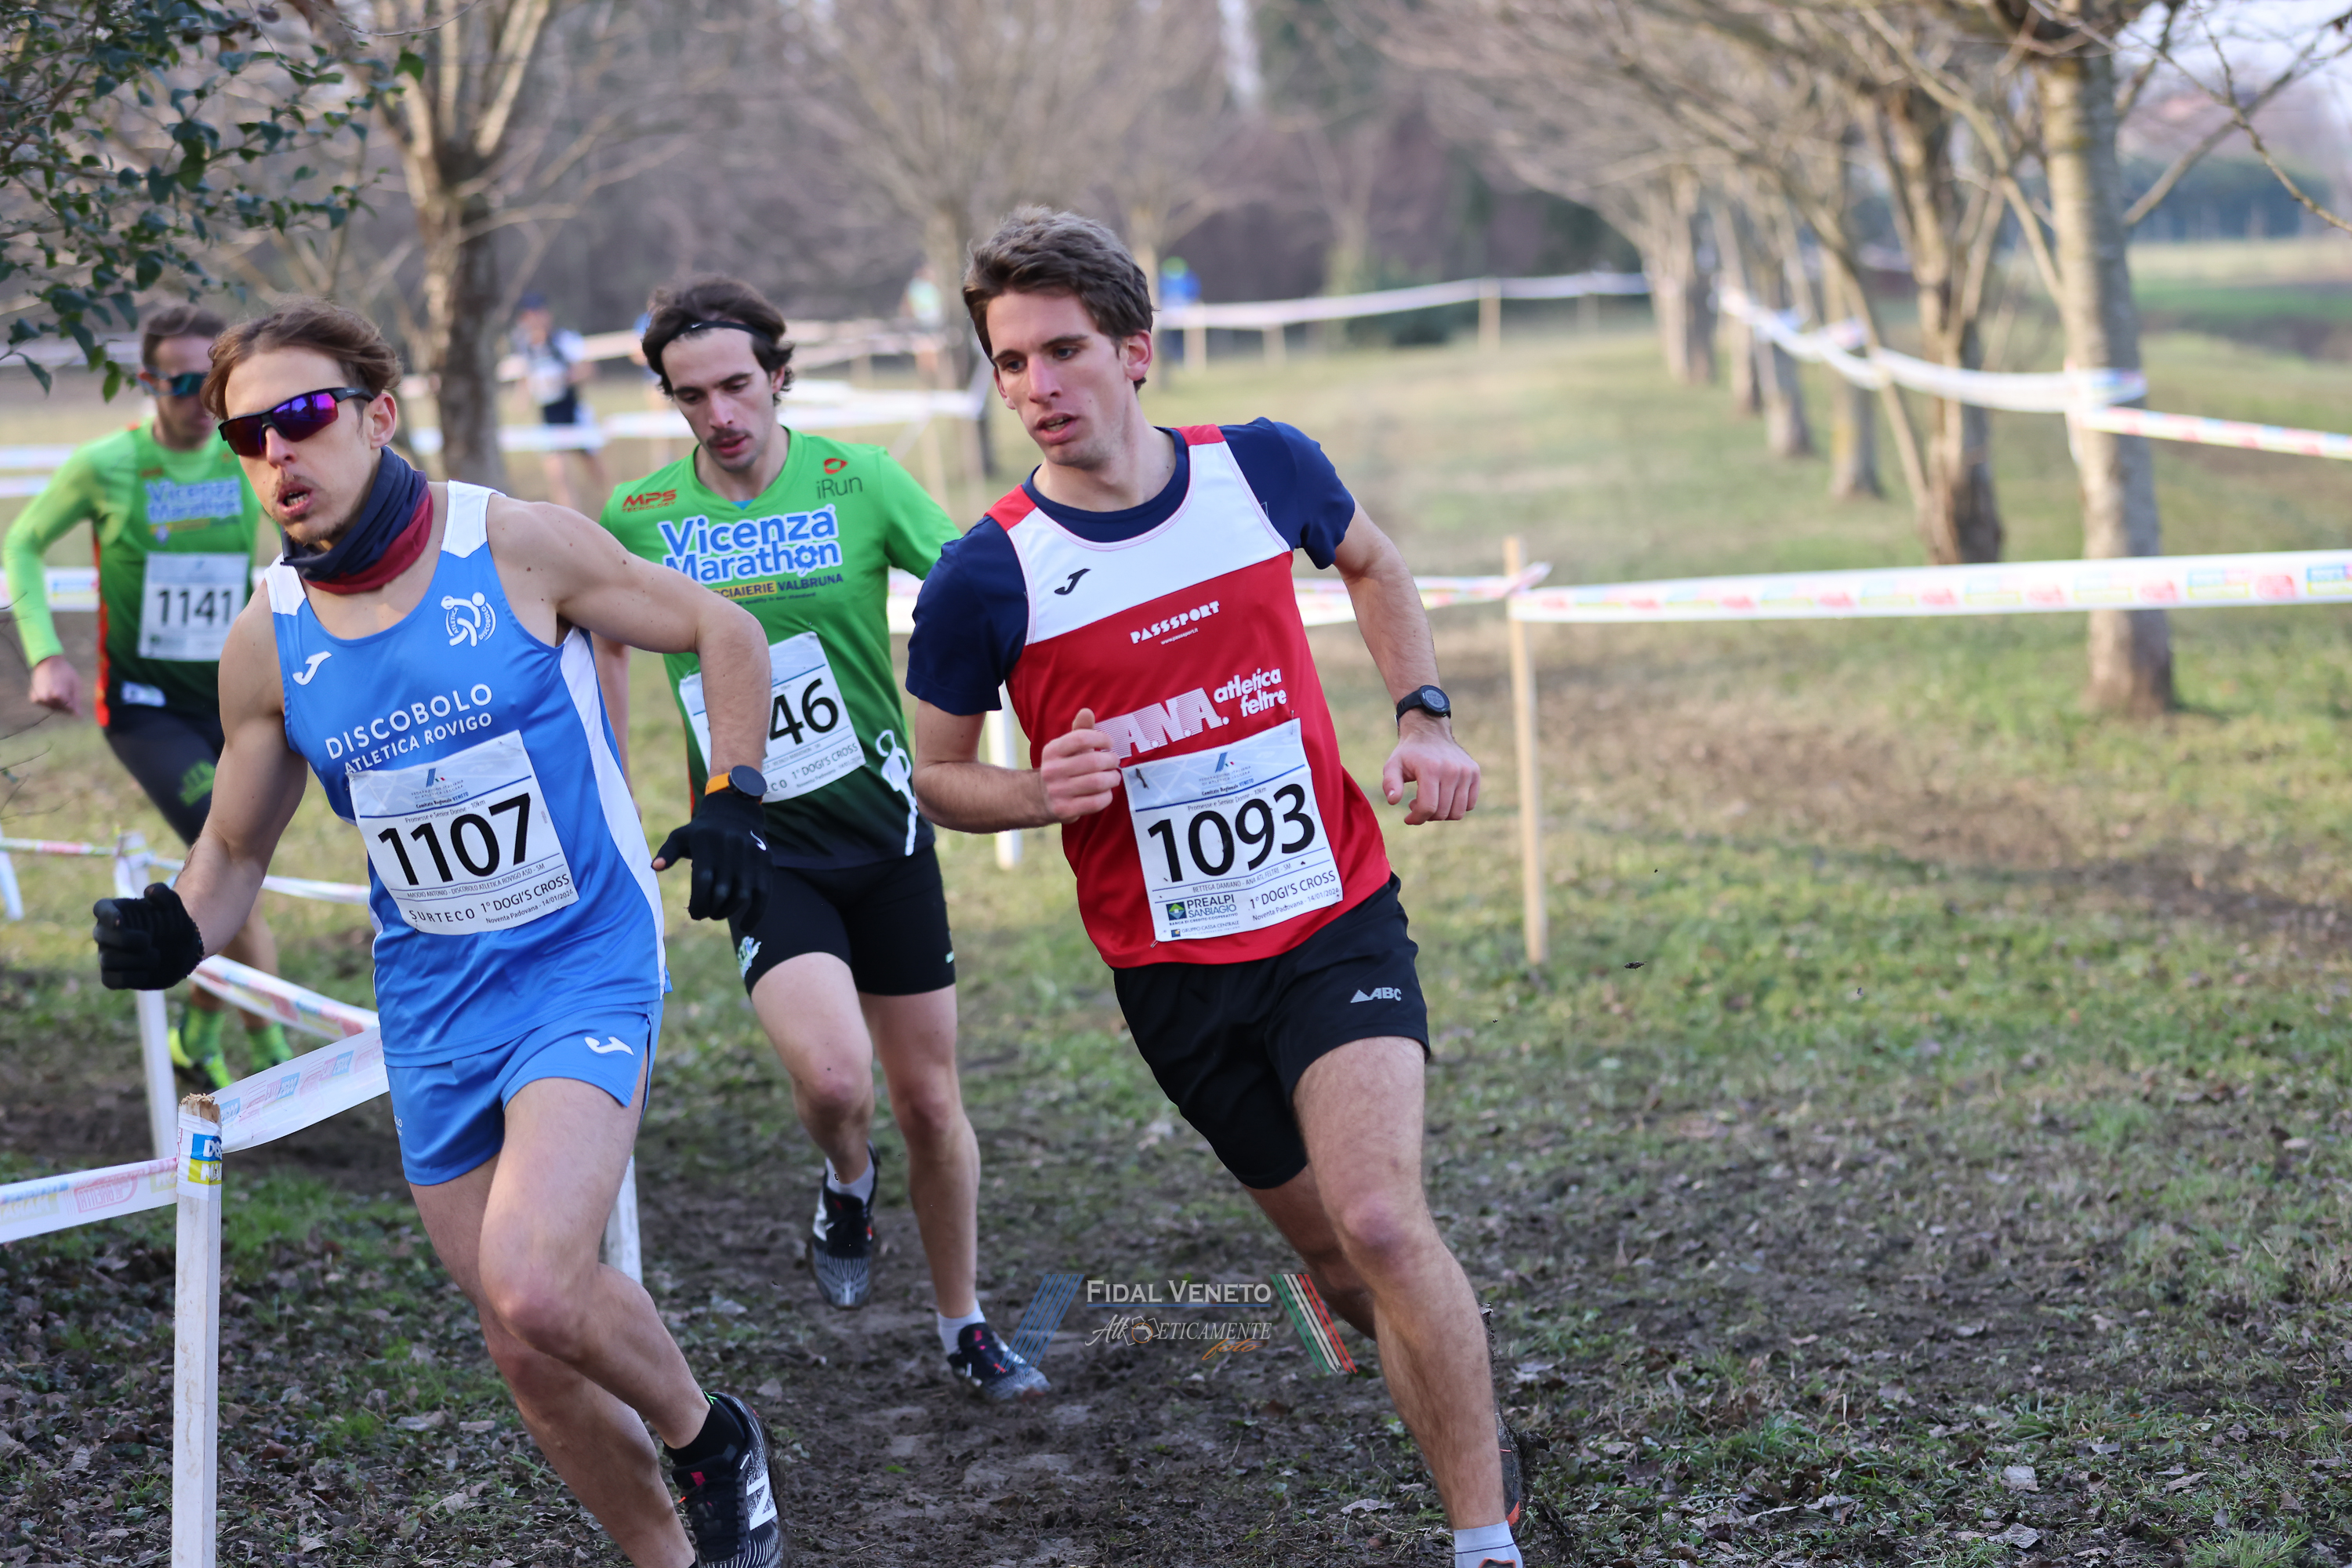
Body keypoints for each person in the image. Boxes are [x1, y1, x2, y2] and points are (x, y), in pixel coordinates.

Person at [89, 298, 787, 1568]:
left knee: (535, 1277)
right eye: (247, 435)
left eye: (304, 416)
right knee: (525, 1346)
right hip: (432, 1004)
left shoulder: (512, 544)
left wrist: (734, 794)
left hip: (579, 962)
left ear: (377, 415)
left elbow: (722, 629)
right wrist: (177, 931)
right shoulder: (268, 638)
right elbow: (235, 851)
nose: (277, 453)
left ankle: (710, 1436)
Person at [905, 209, 1524, 1568]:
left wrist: (1423, 714)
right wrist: (1034, 791)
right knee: (1339, 1271)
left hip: (1331, 915)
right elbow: (936, 775)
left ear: (1136, 351)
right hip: (1174, 974)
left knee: (1380, 1220)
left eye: (1064, 350)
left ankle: (1485, 1534)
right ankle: (1461, 1415)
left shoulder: (1261, 468)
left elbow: (1374, 562)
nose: (1038, 385)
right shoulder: (986, 574)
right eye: (1011, 363)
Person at [594, 277, 1042, 1401]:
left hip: (884, 836)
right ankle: (847, 1180)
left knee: (930, 1102)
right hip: (757, 846)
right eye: (691, 396)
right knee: (838, 1082)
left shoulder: (861, 480)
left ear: (779, 375)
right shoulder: (638, 517)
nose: (719, 413)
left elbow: (976, 588)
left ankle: (964, 1321)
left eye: (736, 385)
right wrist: (607, 798)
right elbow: (596, 649)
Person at [4, 303, 292, 1087]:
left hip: (237, 703)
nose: (202, 400)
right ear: (149, 380)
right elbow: (22, 542)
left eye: (216, 383)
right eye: (185, 382)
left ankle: (199, 1029)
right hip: (146, 711)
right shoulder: (107, 464)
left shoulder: (250, 452)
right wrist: (45, 654)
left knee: (237, 865)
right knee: (230, 857)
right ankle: (274, 1053)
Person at [512, 292, 612, 513]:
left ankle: (619, 509)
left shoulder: (563, 340)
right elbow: (526, 377)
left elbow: (589, 370)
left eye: (537, 313)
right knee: (558, 476)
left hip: (574, 413)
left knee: (596, 470)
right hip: (548, 417)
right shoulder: (526, 347)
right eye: (528, 315)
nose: (533, 320)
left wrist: (562, 378)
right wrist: (522, 399)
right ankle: (570, 520)